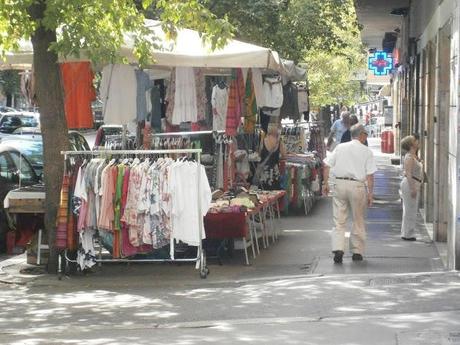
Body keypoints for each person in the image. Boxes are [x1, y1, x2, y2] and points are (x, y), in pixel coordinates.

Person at [323, 124, 377, 263]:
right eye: (365, 133)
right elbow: (370, 175)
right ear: (361, 135)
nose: (366, 136)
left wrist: (325, 184)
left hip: (339, 184)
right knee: (358, 219)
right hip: (357, 186)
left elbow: (327, 165)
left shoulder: (340, 147)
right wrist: (370, 194)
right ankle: (357, 251)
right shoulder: (366, 151)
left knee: (339, 220)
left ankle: (338, 249)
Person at [400, 135, 423, 241]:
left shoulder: (413, 156)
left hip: (414, 182)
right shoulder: (409, 157)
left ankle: (407, 232)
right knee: (410, 209)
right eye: (414, 141)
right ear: (411, 145)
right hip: (410, 183)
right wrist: (413, 188)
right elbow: (408, 173)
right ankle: (408, 233)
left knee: (410, 209)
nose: (417, 141)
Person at [255, 123, 286, 190]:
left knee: (264, 195)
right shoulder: (279, 142)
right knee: (274, 194)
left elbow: (259, 154)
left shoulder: (263, 141)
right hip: (274, 173)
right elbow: (284, 155)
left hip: (264, 173)